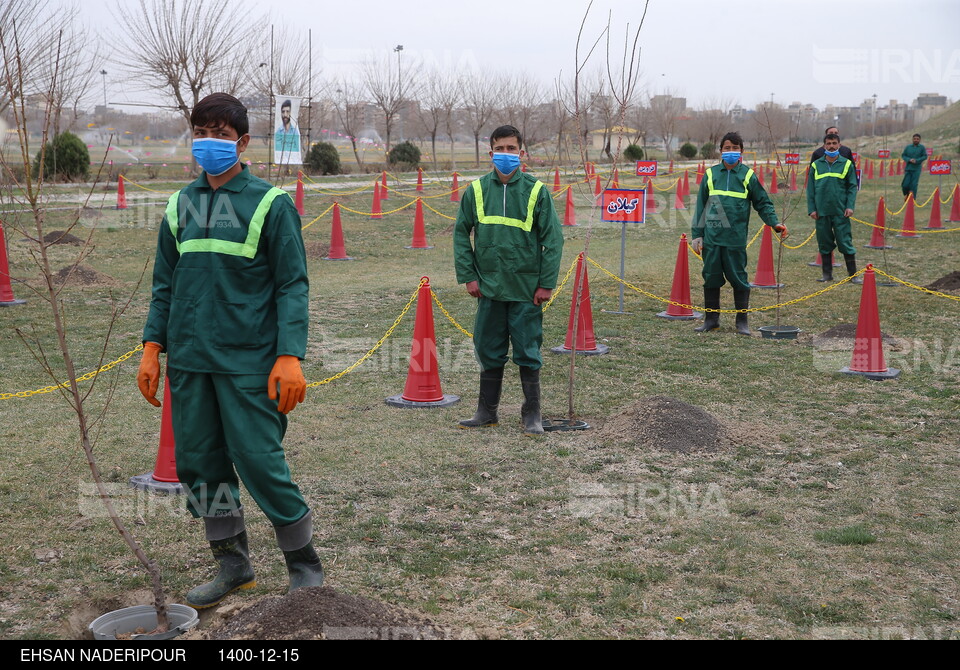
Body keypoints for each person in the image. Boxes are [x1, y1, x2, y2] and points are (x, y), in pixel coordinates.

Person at [137, 93, 322, 609]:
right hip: (191, 362)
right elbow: (164, 286)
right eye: (201, 131)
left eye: (221, 133)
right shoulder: (179, 205)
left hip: (249, 363)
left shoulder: (271, 204)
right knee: (200, 464)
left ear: (242, 143)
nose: (209, 142)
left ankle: (304, 563)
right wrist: (153, 347)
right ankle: (233, 564)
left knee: (260, 462)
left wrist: (290, 355)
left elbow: (292, 285)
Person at [453, 124, 564, 435]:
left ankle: (532, 414)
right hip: (488, 287)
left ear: (521, 153)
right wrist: (468, 275)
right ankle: (486, 411)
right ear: (490, 153)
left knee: (528, 349)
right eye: (499, 149)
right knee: (488, 347)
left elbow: (553, 241)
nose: (505, 155)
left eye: (511, 149)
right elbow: (461, 234)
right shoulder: (475, 191)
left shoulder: (537, 191)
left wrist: (546, 283)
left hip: (526, 289)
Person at [691, 131, 787, 335]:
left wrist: (774, 223)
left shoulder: (748, 175)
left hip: (735, 239)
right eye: (727, 148)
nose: (731, 152)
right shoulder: (710, 175)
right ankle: (711, 320)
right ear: (721, 151)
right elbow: (700, 206)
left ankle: (741, 322)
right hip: (712, 239)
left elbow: (762, 203)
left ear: (742, 151)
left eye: (735, 148)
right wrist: (697, 234)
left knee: (739, 278)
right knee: (711, 277)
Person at [808, 132, 859, 283]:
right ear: (824, 146)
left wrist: (850, 206)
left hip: (840, 211)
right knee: (824, 243)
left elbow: (852, 187)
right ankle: (827, 275)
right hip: (821, 212)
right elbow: (810, 189)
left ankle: (853, 276)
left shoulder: (847, 164)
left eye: (834, 143)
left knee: (845, 242)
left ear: (839, 145)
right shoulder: (816, 165)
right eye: (828, 144)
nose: (831, 147)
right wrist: (812, 209)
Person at [274, 99, 302, 164]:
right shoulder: (278, 132)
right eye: (283, 112)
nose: (285, 115)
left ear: (291, 113)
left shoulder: (295, 132)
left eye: (287, 111)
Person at [901, 133, 927, 200]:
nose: (916, 140)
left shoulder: (922, 147)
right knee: (905, 185)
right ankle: (907, 194)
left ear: (920, 140)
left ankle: (912, 199)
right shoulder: (908, 147)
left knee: (913, 185)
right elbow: (903, 155)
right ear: (912, 139)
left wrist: (917, 160)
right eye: (914, 139)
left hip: (916, 169)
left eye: (917, 139)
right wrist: (909, 160)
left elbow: (925, 156)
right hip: (908, 168)